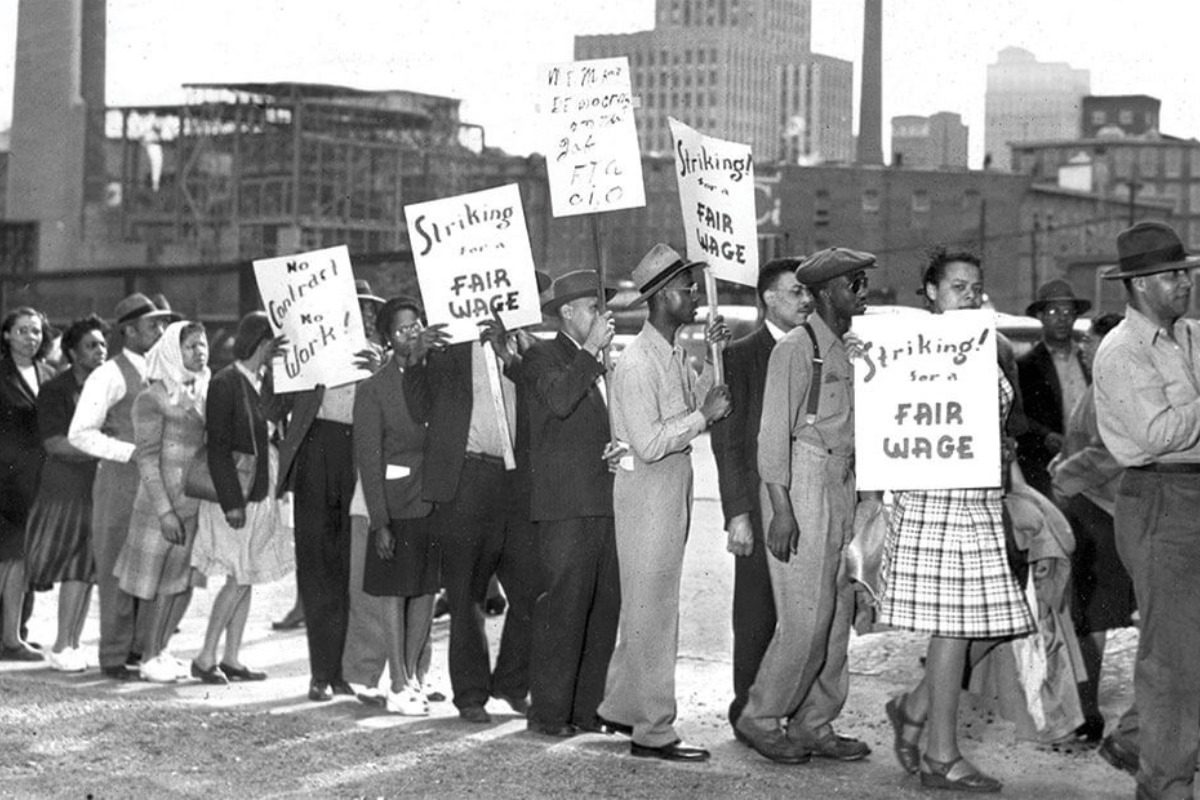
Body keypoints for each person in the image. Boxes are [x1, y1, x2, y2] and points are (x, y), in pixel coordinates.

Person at [879, 247, 1035, 793]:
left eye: (975, 288)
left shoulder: (994, 347)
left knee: (991, 622)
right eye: (956, 287)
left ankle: (914, 708)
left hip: (982, 498)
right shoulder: (902, 343)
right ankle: (940, 756)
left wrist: (1010, 466)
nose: (969, 296)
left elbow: (1007, 429)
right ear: (931, 292)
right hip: (935, 498)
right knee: (955, 627)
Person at [734, 248, 875, 764]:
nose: (862, 292)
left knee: (838, 612)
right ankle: (760, 716)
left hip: (842, 481)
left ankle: (815, 721)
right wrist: (782, 509)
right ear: (827, 292)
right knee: (806, 618)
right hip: (802, 482)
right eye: (853, 283)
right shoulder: (797, 348)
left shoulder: (850, 348)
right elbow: (772, 436)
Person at [596, 243, 731, 762]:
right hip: (649, 491)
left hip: (668, 489)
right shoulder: (637, 363)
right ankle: (653, 730)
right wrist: (704, 418)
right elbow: (651, 443)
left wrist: (711, 360)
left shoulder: (671, 353)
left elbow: (699, 403)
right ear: (662, 297)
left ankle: (620, 707)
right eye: (687, 289)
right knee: (654, 612)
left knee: (645, 607)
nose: (695, 297)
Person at [1092, 221, 1200, 800]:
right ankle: (1165, 784)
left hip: (1189, 492)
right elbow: (1158, 434)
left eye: (1185, 272)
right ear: (1137, 285)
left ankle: (1138, 738)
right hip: (1161, 496)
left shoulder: (1191, 336)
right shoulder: (1122, 352)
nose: (1185, 282)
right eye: (1171, 275)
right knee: (1174, 655)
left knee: (1185, 645)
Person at [402, 300, 537, 725]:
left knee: (532, 589)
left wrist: (512, 356)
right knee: (466, 596)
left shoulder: (528, 347)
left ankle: (512, 683)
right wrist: (416, 358)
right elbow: (418, 409)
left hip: (517, 483)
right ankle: (471, 695)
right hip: (466, 480)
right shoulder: (447, 348)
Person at [265, 281, 383, 702]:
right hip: (316, 454)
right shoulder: (307, 353)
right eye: (357, 307)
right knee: (317, 566)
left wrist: (382, 369)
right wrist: (274, 366)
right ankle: (321, 673)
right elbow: (270, 410)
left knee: (355, 568)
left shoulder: (380, 357)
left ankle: (347, 671)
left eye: (368, 311)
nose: (364, 316)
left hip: (360, 459)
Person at [710, 257, 812, 738]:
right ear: (769, 298)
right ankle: (747, 712)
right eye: (796, 292)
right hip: (758, 504)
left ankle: (792, 709)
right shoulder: (740, 356)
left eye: (808, 292)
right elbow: (728, 443)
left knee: (804, 615)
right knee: (756, 614)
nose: (806, 300)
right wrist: (738, 513)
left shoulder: (815, 349)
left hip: (807, 500)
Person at [522, 270, 621, 737]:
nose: (604, 317)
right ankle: (549, 711)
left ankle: (587, 709)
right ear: (567, 312)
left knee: (603, 608)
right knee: (564, 609)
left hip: (603, 499)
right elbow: (559, 401)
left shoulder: (602, 361)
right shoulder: (542, 356)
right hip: (565, 506)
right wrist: (590, 351)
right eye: (595, 309)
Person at [69, 292, 176, 679]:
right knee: (117, 568)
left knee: (155, 566)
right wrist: (129, 452)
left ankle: (145, 651)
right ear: (129, 331)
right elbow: (80, 433)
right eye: (153, 325)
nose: (161, 331)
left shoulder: (166, 371)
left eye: (163, 324)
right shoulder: (108, 374)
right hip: (120, 482)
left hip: (161, 485)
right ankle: (114, 655)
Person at [189, 312, 294, 683]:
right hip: (235, 493)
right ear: (262, 343)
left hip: (260, 489)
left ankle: (231, 657)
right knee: (237, 576)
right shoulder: (225, 382)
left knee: (246, 575)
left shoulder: (263, 381)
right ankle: (205, 657)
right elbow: (217, 448)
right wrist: (231, 502)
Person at [351, 297, 440, 714]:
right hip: (396, 503)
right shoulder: (373, 389)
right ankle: (398, 682)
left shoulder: (434, 376)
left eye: (416, 326)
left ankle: (415, 676)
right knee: (395, 592)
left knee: (425, 589)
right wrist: (379, 522)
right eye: (403, 330)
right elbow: (369, 461)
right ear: (388, 337)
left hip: (433, 498)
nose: (412, 334)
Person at [1047, 312, 1132, 745]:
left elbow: (1112, 452)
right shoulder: (1101, 384)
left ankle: (1087, 712)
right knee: (1086, 616)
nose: (1084, 348)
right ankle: (1084, 709)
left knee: (1091, 616)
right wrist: (1062, 459)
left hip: (1101, 512)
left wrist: (1065, 473)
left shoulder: (1117, 387)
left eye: (1092, 342)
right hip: (1089, 508)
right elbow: (1083, 440)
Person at [112, 320, 210, 682]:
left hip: (193, 502)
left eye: (202, 345)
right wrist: (165, 511)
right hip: (160, 505)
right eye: (190, 347)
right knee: (154, 584)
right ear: (172, 351)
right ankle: (148, 656)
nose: (199, 353)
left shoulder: (203, 388)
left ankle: (161, 650)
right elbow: (147, 458)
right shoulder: (151, 397)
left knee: (178, 582)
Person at [24, 315, 109, 671]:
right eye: (91, 345)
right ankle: (62, 644)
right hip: (65, 487)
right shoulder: (56, 389)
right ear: (72, 352)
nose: (100, 351)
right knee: (76, 566)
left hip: (96, 486)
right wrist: (105, 449)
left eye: (103, 344)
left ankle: (72, 642)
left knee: (87, 569)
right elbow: (55, 443)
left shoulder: (107, 386)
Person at [0, 306, 55, 661]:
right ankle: (9, 638)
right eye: (22, 331)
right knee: (7, 559)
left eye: (36, 331)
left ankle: (14, 635)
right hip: (4, 481)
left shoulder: (48, 374)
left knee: (22, 560)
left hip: (38, 481)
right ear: (6, 335)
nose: (30, 338)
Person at [1017, 279, 1093, 497]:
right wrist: (1046, 435)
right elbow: (1017, 416)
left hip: (1092, 464)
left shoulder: (1090, 360)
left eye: (1068, 312)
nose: (1062, 318)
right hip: (1048, 469)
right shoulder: (1026, 366)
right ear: (1040, 316)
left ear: (1075, 317)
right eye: (1053, 312)